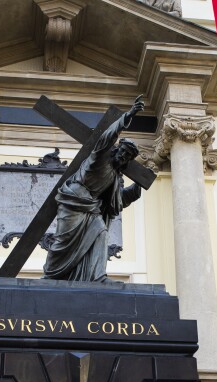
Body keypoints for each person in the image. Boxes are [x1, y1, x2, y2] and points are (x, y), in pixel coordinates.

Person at [42, 95, 145, 282]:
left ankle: (98, 276)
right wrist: (128, 116)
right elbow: (107, 137)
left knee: (101, 232)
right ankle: (50, 273)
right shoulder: (99, 158)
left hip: (91, 207)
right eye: (123, 151)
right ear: (117, 149)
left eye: (128, 156)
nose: (123, 156)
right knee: (63, 241)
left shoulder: (114, 177)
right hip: (73, 200)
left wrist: (138, 186)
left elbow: (117, 201)